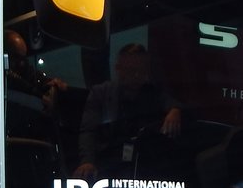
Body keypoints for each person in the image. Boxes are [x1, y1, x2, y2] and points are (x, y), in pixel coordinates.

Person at [75, 43, 181, 180]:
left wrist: (175, 110)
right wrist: (87, 162)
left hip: (143, 167)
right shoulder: (101, 93)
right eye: (131, 70)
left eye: (140, 70)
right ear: (118, 68)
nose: (136, 75)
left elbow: (171, 102)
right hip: (107, 165)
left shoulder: (152, 93)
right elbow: (89, 131)